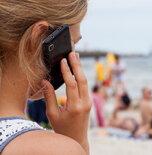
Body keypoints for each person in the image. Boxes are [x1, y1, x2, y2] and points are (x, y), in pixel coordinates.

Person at [0, 1, 90, 154]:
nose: (72, 56)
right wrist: (78, 142)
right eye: (71, 44)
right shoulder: (52, 149)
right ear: (37, 39)